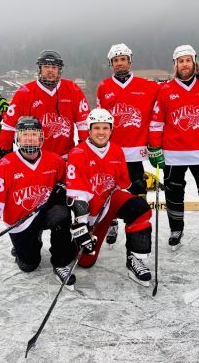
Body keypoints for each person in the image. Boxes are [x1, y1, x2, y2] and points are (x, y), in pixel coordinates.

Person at [0, 116, 77, 287]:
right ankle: (23, 247)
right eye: (25, 134)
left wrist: (64, 187)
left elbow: (72, 181)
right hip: (21, 220)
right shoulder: (4, 166)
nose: (29, 138)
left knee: (61, 214)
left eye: (34, 134)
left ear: (41, 137)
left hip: (45, 212)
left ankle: (60, 262)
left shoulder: (55, 161)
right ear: (17, 138)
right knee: (29, 265)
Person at [66, 108, 153, 287]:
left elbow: (122, 184)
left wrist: (134, 186)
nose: (101, 132)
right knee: (85, 261)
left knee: (139, 207)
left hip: (108, 203)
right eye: (96, 128)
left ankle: (135, 260)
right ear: (89, 130)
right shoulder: (78, 153)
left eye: (105, 128)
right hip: (89, 213)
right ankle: (72, 240)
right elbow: (77, 194)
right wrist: (82, 226)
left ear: (111, 130)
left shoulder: (117, 151)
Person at [148, 45, 199, 251]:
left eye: (188, 60)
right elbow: (156, 122)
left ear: (194, 62)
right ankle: (176, 230)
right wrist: (154, 147)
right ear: (175, 65)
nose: (184, 64)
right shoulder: (166, 90)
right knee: (174, 194)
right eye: (180, 61)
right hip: (173, 154)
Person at [96, 43, 159, 245]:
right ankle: (111, 222)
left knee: (138, 189)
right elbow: (98, 119)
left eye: (123, 59)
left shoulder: (148, 85)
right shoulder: (104, 87)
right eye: (115, 60)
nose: (119, 63)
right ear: (111, 64)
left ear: (129, 62)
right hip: (111, 152)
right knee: (109, 189)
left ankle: (137, 224)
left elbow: (174, 90)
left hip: (135, 151)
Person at [0, 50, 90, 168]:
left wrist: (85, 149)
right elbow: (8, 125)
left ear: (59, 70)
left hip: (65, 159)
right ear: (40, 69)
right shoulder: (24, 92)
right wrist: (3, 150)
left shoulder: (72, 89)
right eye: (46, 66)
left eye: (54, 67)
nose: (50, 70)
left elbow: (84, 123)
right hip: (34, 159)